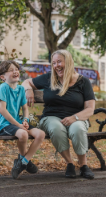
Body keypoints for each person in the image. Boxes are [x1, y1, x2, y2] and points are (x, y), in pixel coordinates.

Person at [22, 49, 95, 179]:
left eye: (59, 62)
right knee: (56, 128)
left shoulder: (83, 82)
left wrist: (75, 117)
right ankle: (70, 164)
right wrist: (28, 89)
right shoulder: (49, 78)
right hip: (51, 117)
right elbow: (26, 81)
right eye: (54, 63)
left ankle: (84, 165)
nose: (56, 66)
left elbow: (90, 109)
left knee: (78, 128)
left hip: (77, 118)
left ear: (69, 62)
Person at [0, 60, 45, 179]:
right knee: (23, 134)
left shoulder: (21, 89)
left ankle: (23, 162)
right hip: (4, 124)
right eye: (11, 70)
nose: (15, 72)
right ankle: (24, 161)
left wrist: (26, 120)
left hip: (18, 123)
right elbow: (2, 110)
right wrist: (18, 124)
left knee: (40, 134)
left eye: (16, 69)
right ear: (3, 76)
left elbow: (25, 109)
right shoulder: (3, 88)